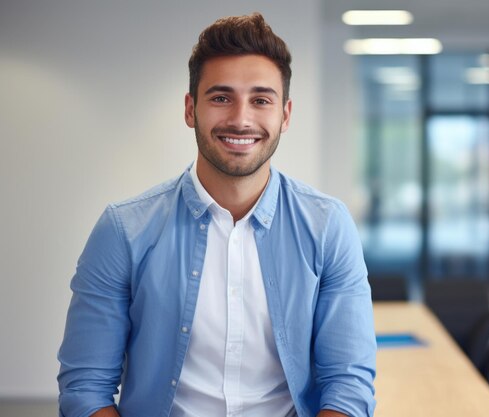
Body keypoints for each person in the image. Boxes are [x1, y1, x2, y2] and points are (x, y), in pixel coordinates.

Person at [57, 12, 376, 417]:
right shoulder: (123, 230)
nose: (241, 118)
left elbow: (348, 384)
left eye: (261, 100)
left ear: (286, 115)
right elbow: (85, 389)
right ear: (191, 109)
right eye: (221, 97)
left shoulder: (328, 227)